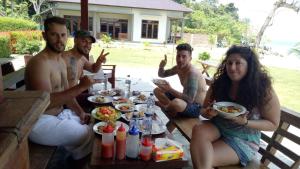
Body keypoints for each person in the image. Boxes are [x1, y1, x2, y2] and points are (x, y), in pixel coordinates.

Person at [190, 45, 281, 169]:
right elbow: (203, 110)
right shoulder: (220, 83)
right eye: (229, 63)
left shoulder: (262, 89)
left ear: (249, 65)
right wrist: (208, 112)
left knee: (202, 160)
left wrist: (245, 122)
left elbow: (273, 124)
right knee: (198, 129)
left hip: (243, 139)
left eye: (238, 63)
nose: (232, 68)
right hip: (218, 127)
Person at [25, 16, 94, 160]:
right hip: (40, 121)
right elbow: (45, 103)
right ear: (44, 36)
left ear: (67, 36)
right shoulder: (39, 63)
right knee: (89, 134)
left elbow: (67, 94)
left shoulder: (60, 61)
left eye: (63, 35)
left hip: (59, 115)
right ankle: (79, 162)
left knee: (95, 123)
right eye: (54, 35)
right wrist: (81, 87)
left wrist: (80, 113)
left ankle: (75, 160)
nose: (59, 40)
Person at [153, 43, 206, 119]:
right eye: (178, 56)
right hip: (184, 100)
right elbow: (162, 74)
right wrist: (161, 66)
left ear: (190, 58)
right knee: (157, 90)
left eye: (184, 57)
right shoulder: (178, 68)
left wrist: (170, 89)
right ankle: (171, 109)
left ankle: (168, 108)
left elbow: (190, 100)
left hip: (196, 107)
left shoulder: (192, 73)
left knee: (177, 103)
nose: (180, 59)